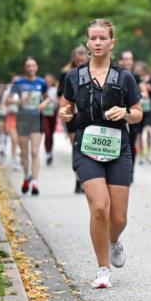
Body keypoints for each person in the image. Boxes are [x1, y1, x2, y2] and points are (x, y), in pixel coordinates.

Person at [58, 19, 143, 289]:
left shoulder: (125, 77)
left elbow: (138, 112)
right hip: (87, 148)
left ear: (111, 43)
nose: (97, 43)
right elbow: (66, 106)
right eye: (92, 38)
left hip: (119, 148)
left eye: (102, 38)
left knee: (118, 219)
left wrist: (126, 113)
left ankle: (114, 240)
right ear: (87, 42)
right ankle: (102, 269)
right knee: (99, 208)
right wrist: (65, 113)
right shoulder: (75, 77)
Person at [12, 57, 49, 195]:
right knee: (24, 152)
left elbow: (47, 98)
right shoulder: (19, 82)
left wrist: (44, 104)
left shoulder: (41, 82)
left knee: (34, 151)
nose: (31, 68)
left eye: (33, 66)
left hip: (36, 118)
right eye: (28, 66)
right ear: (24, 68)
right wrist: (20, 100)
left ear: (36, 67)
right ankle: (26, 176)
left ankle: (35, 182)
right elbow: (9, 100)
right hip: (22, 119)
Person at [59, 45, 90, 194]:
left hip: (88, 115)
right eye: (77, 56)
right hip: (73, 116)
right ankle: (79, 179)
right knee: (77, 147)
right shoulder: (67, 74)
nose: (80, 58)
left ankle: (87, 178)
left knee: (87, 147)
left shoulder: (93, 72)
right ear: (74, 58)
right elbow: (60, 96)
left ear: (87, 57)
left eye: (83, 55)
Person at [134, 62, 151, 164]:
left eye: (140, 70)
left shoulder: (150, 80)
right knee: (139, 135)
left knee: (149, 131)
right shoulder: (135, 79)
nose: (138, 72)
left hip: (148, 110)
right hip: (139, 109)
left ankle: (149, 154)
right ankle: (141, 155)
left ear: (144, 70)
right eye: (137, 70)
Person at [119, 51, 141, 161]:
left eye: (130, 59)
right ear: (120, 61)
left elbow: (143, 92)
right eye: (126, 59)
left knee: (132, 144)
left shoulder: (136, 77)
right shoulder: (116, 75)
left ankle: (130, 173)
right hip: (119, 115)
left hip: (133, 113)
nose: (128, 61)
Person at [41, 74, 59, 165]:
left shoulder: (56, 90)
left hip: (53, 113)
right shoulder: (42, 90)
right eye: (46, 80)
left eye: (49, 80)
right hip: (44, 114)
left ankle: (50, 151)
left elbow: (59, 101)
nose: (47, 82)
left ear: (53, 81)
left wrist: (53, 101)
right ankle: (48, 153)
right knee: (47, 134)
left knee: (51, 134)